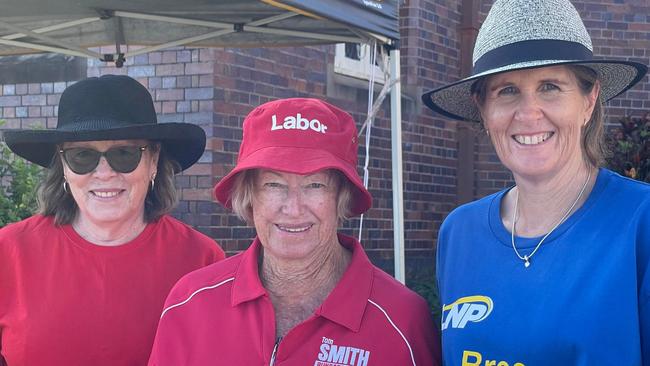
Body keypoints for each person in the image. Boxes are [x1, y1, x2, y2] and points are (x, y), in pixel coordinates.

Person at [421, 0, 649, 365]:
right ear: (483, 110)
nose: (528, 113)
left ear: (589, 101)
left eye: (550, 86)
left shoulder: (640, 222)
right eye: (506, 90)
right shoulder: (459, 232)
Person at [148, 97, 441, 365]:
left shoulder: (402, 320)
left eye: (315, 184)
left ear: (342, 197)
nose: (293, 208)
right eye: (273, 184)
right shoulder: (191, 302)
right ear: (249, 198)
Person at [0, 75, 225, 366]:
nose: (104, 173)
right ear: (64, 166)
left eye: (124, 153)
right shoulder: (9, 252)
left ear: (154, 161)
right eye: (82, 155)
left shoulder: (202, 260)